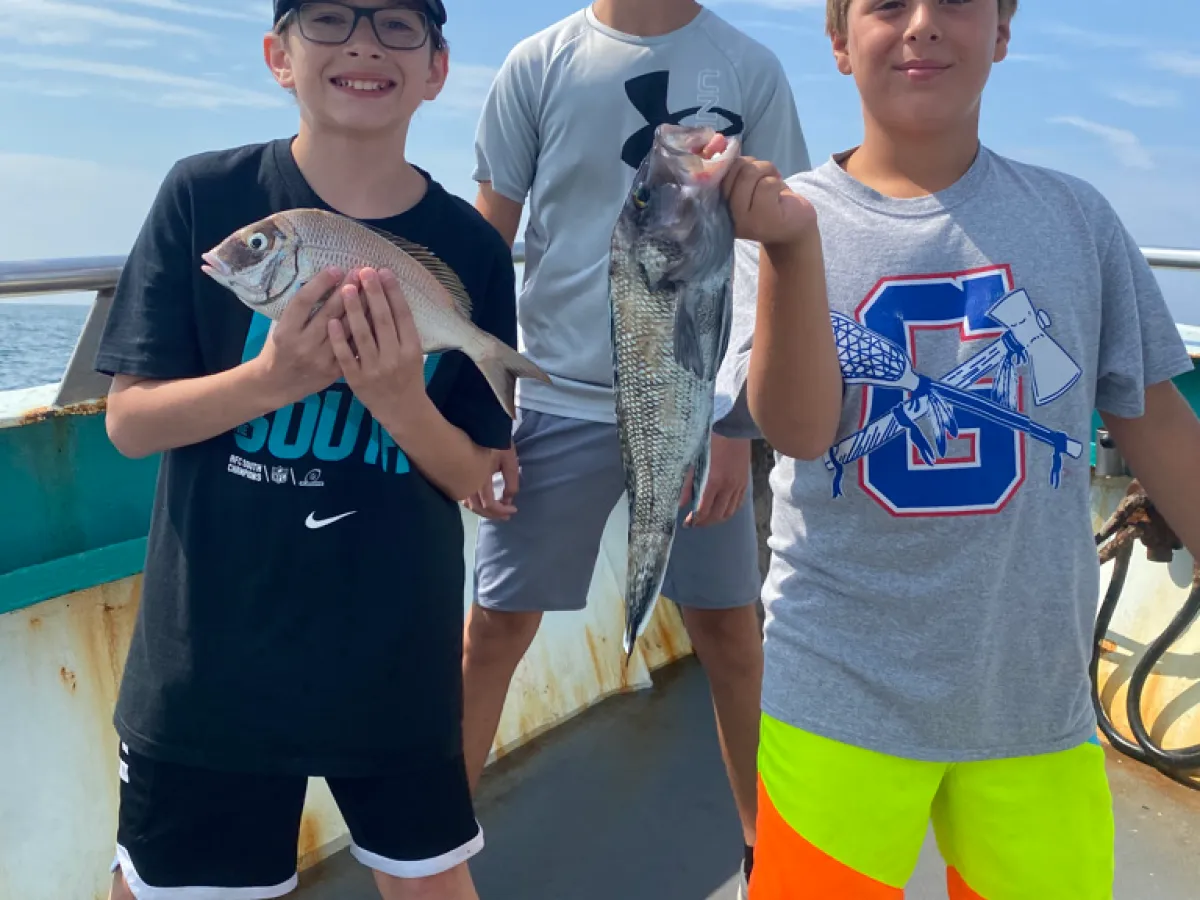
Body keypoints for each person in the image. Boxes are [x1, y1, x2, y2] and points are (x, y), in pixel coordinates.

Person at [716, 0, 1200, 897]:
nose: (922, 24)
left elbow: (1158, 420)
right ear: (837, 38)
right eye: (887, 4)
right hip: (834, 689)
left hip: (1033, 695)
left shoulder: (1077, 219)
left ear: (1004, 32)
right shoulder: (779, 223)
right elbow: (797, 429)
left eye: (958, 2)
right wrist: (788, 250)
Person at [93, 2, 520, 898]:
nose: (364, 42)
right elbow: (129, 423)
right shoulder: (202, 196)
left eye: (399, 25)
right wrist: (274, 378)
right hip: (211, 663)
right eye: (328, 18)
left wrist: (399, 399)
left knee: (428, 880)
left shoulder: (473, 250)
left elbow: (480, 474)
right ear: (277, 56)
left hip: (396, 662)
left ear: (439, 68)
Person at [462, 0, 811, 892]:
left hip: (701, 403)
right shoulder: (537, 64)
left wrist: (735, 426)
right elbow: (484, 243)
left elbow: (774, 248)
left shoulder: (749, 67)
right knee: (496, 629)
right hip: (553, 396)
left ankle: (765, 847)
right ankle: (430, 846)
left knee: (732, 630)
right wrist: (481, 402)